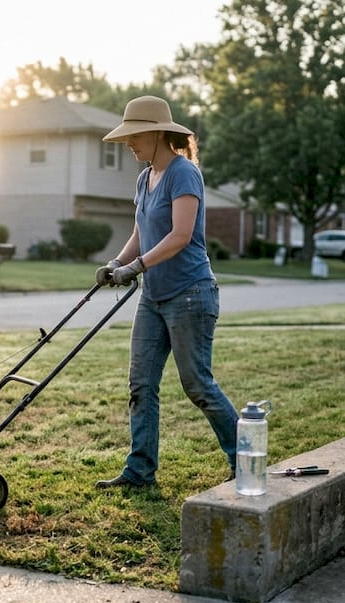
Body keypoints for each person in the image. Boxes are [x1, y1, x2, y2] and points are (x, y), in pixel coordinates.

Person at [94, 95, 238, 489]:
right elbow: (142, 233)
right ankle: (140, 471)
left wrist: (135, 268)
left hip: (190, 293)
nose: (128, 144)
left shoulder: (183, 173)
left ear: (156, 133)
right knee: (140, 385)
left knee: (197, 385)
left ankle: (245, 459)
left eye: (134, 136)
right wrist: (114, 264)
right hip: (153, 298)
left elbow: (180, 235)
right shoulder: (144, 178)